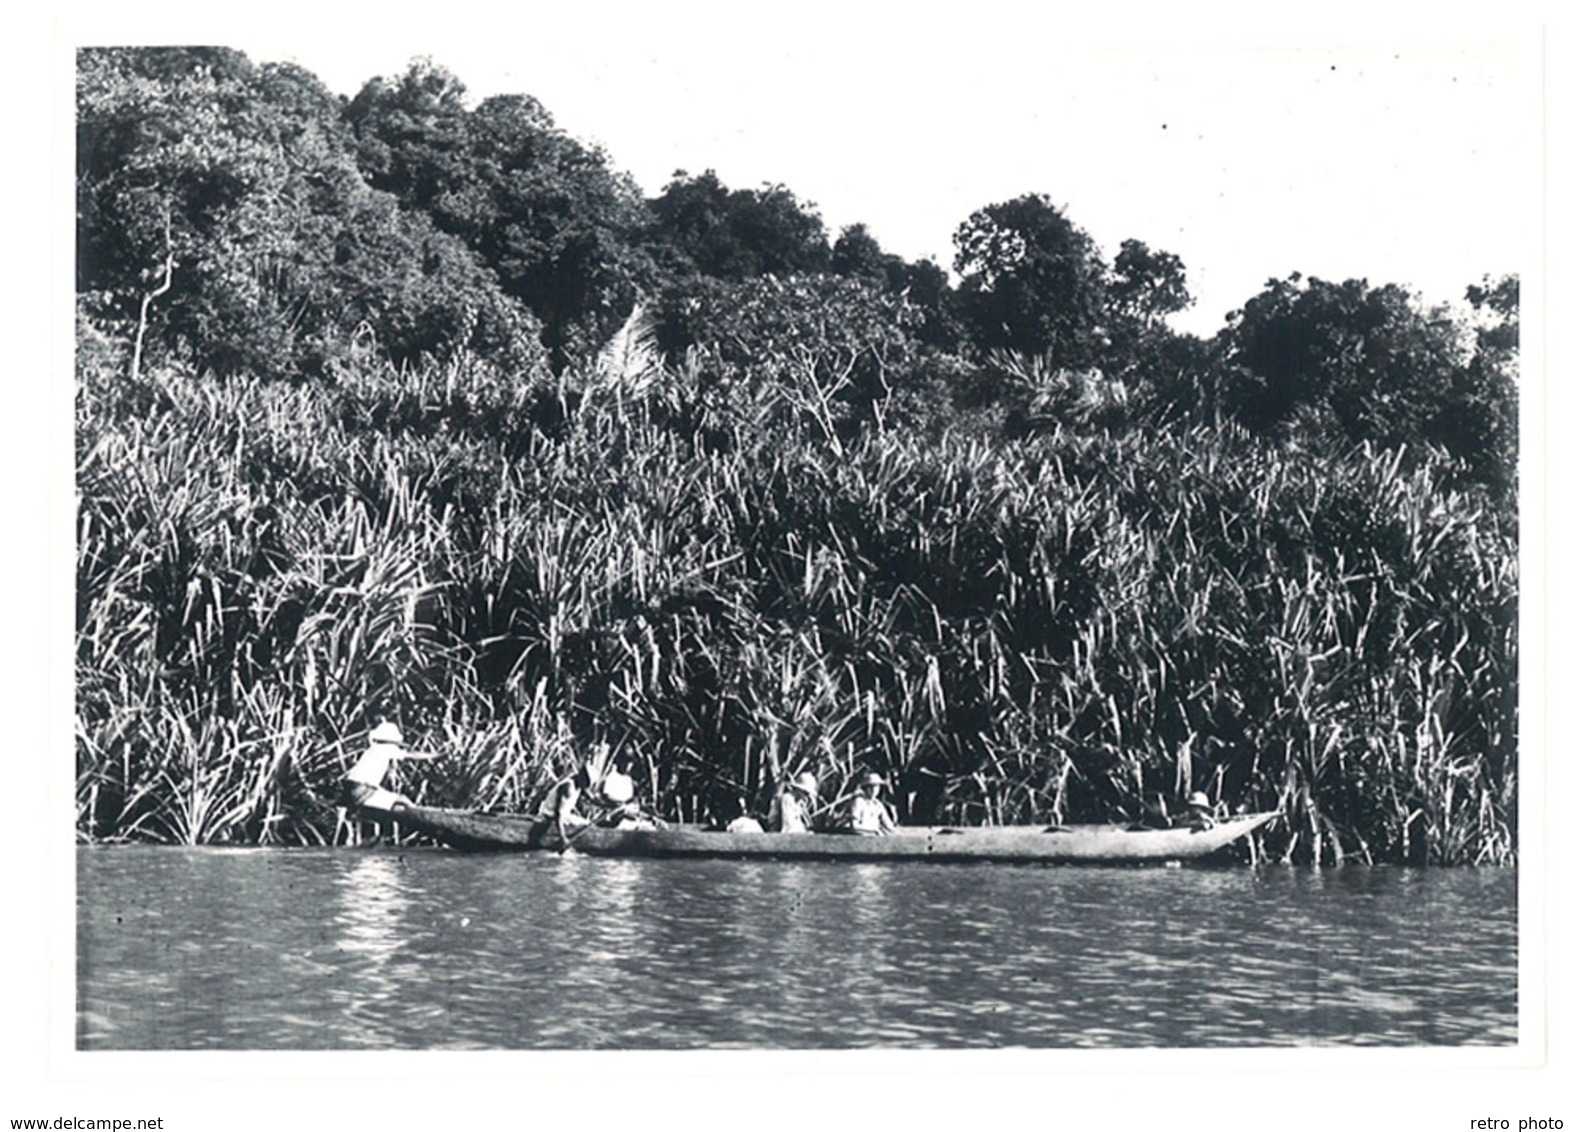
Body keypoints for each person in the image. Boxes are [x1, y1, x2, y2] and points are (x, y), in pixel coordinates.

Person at [338, 722, 438, 814]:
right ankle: (419, 815)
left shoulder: (372, 749)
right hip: (363, 790)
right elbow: (412, 755)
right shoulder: (387, 749)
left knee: (394, 803)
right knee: (403, 799)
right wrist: (435, 755)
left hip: (349, 789)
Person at [849, 771, 897, 836]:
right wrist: (874, 830)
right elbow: (854, 826)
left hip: (874, 837)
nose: (874, 790)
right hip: (861, 836)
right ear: (865, 788)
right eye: (870, 787)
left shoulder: (878, 804)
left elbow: (889, 826)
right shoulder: (859, 802)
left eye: (876, 786)